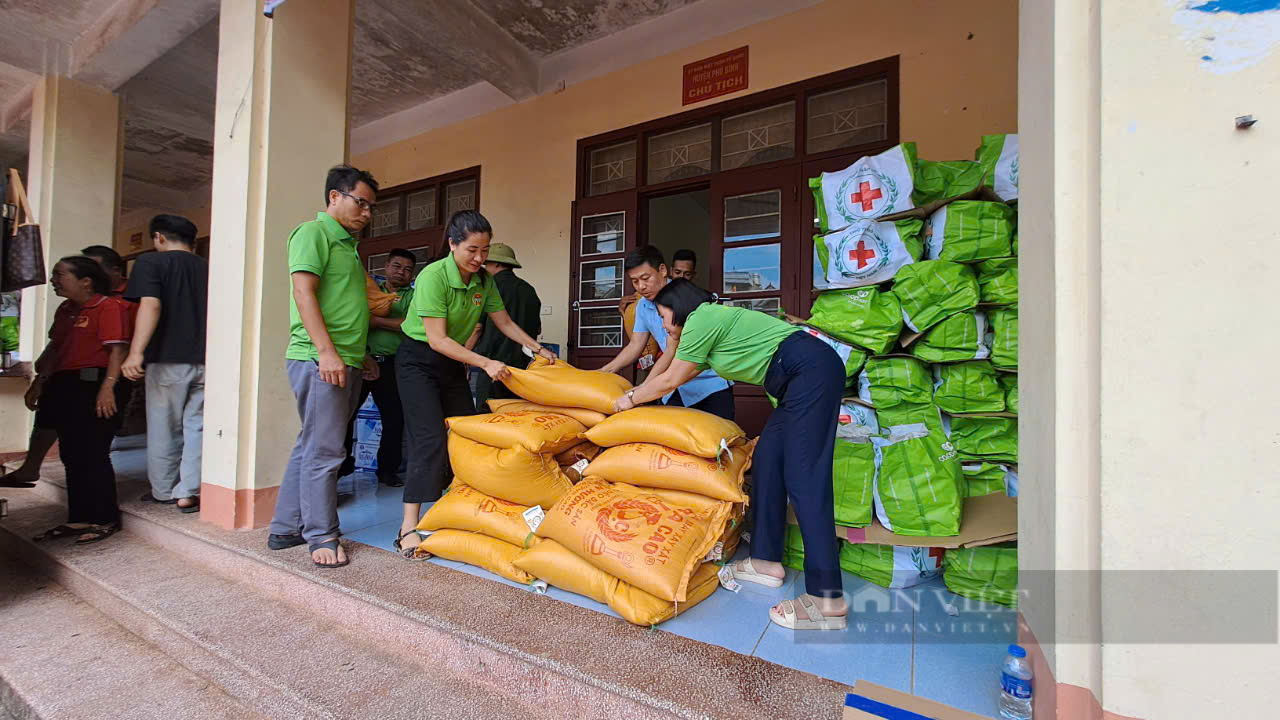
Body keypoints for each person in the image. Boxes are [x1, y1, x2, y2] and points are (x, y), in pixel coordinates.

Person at [612, 279, 848, 631]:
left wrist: (628, 400)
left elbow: (669, 380)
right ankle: (767, 562)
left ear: (679, 309)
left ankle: (828, 598)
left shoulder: (703, 319)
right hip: (792, 382)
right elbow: (666, 368)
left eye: (663, 316)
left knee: (804, 479)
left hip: (810, 370)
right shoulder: (701, 327)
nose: (662, 325)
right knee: (767, 462)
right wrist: (652, 369)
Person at [395, 210, 555, 556]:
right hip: (418, 360)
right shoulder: (433, 277)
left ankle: (460, 507)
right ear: (452, 244)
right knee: (429, 438)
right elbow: (437, 339)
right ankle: (408, 525)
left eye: (484, 251)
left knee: (468, 434)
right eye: (471, 250)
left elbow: (506, 323)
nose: (479, 258)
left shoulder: (484, 281)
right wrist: (484, 362)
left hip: (453, 362)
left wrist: (538, 347)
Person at [268, 164, 381, 569]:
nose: (366, 214)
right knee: (326, 451)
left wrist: (358, 354)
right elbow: (303, 292)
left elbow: (345, 307)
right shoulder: (313, 234)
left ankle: (285, 527)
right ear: (334, 196)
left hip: (343, 358)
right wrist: (328, 352)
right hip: (319, 359)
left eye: (371, 207)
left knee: (312, 443)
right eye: (360, 203)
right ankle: (321, 534)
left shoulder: (347, 246)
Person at [29, 257, 132, 544]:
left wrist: (108, 387)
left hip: (96, 383)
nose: (53, 280)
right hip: (64, 383)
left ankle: (104, 518)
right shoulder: (65, 309)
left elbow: (117, 351)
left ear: (85, 281)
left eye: (60, 274)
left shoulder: (108, 306)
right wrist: (40, 382)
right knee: (71, 453)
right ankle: (78, 518)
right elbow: (57, 348)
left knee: (93, 452)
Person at [121, 214, 208, 514]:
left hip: (167, 359)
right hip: (208, 359)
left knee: (164, 427)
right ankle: (189, 491)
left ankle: (162, 491)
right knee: (197, 427)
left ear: (158, 237)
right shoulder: (209, 267)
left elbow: (151, 304)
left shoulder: (151, 263)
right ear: (192, 242)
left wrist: (135, 353)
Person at [599, 246, 735, 420]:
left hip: (709, 386)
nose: (641, 286)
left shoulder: (685, 297)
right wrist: (606, 370)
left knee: (718, 441)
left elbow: (673, 351)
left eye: (645, 278)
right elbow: (635, 344)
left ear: (663, 270)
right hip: (673, 388)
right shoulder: (642, 306)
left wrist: (642, 390)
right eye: (635, 281)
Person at [340, 247, 416, 488]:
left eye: (407, 269)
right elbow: (352, 318)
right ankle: (341, 467)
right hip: (361, 360)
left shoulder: (413, 297)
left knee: (394, 419)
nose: (401, 272)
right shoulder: (370, 291)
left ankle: (387, 471)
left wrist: (375, 321)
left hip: (394, 364)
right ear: (386, 266)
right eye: (397, 266)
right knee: (345, 417)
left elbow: (409, 324)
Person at [471, 242, 542, 409]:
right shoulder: (529, 290)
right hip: (523, 367)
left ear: (495, 263)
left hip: (493, 365)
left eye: (486, 263)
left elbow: (477, 328)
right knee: (515, 413)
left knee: (488, 414)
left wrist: (464, 359)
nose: (484, 268)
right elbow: (538, 329)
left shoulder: (489, 287)